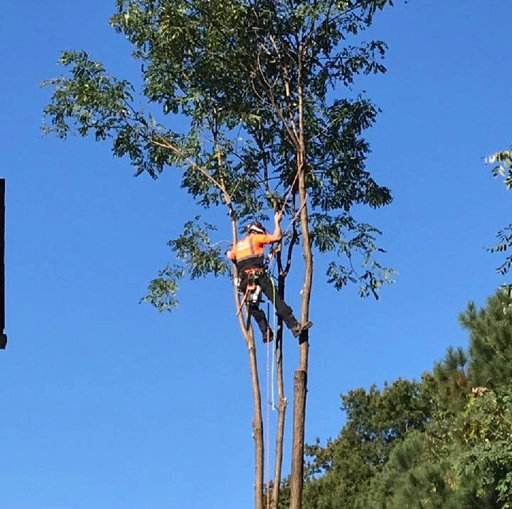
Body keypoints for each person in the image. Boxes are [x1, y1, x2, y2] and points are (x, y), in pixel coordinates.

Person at [227, 212, 313, 342]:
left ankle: (266, 332)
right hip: (259, 275)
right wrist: (277, 222)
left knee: (252, 307)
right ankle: (294, 326)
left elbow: (230, 255)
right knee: (277, 301)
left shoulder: (238, 246)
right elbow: (277, 237)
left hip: (245, 280)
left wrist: (230, 251)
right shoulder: (256, 238)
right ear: (256, 231)